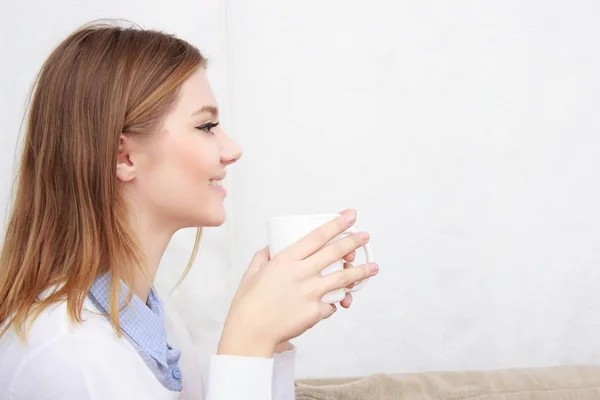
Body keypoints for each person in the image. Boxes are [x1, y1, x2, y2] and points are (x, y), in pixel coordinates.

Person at [0, 21, 379, 400]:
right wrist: (248, 339)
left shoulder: (154, 320)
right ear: (124, 156)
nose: (231, 150)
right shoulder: (68, 358)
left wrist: (270, 341)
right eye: (206, 125)